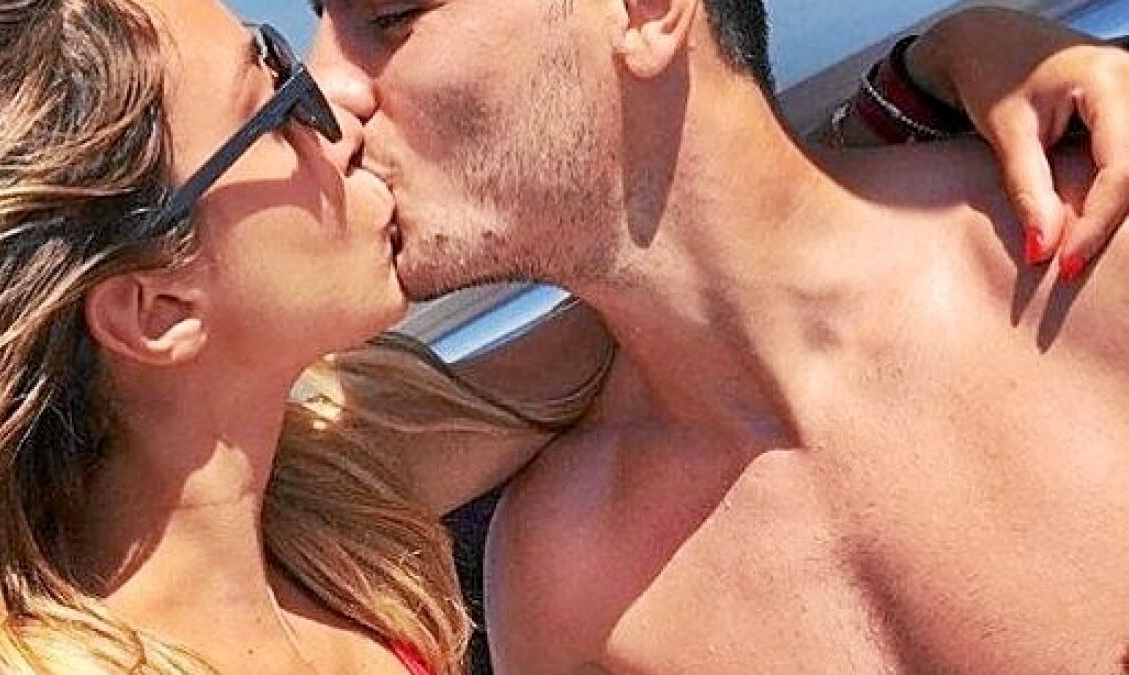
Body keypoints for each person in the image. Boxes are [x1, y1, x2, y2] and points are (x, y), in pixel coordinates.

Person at [304, 2, 1129, 673]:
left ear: (648, 11)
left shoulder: (1098, 257)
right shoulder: (560, 582)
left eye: (392, 16)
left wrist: (944, 60)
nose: (323, 96)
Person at [0, 0, 610, 673]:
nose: (340, 117)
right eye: (278, 105)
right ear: (158, 311)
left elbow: (615, 332)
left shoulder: (334, 488)